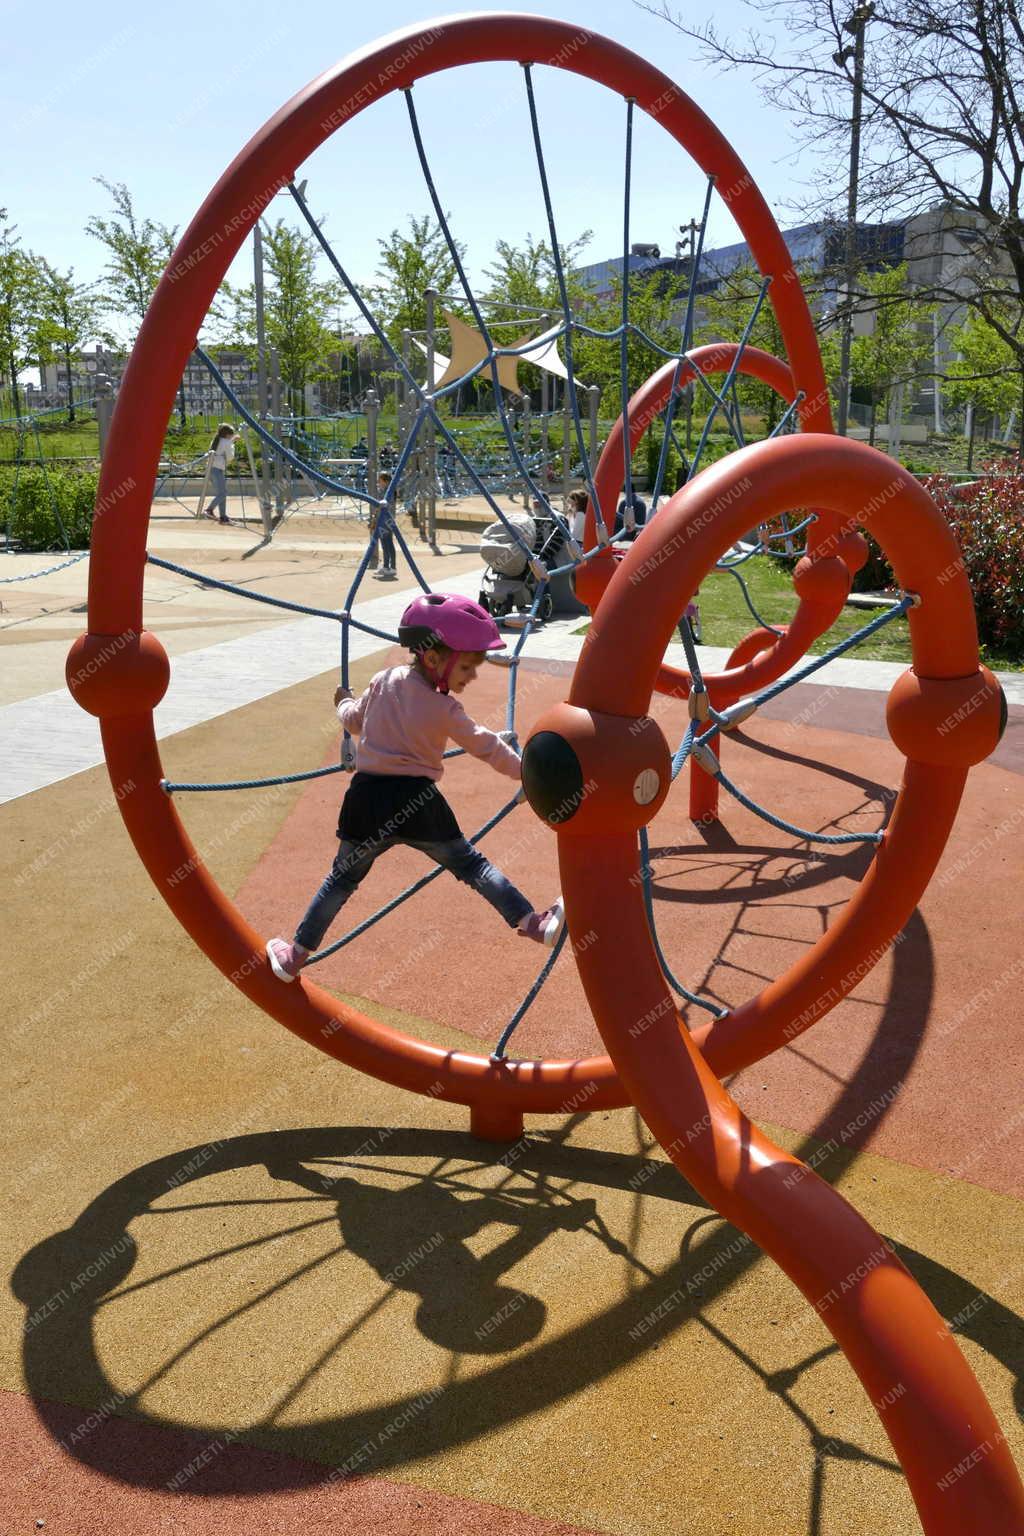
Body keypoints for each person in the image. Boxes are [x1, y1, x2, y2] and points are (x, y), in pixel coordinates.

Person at [266, 593, 564, 982]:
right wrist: (527, 775)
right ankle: (531, 923)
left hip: (366, 800)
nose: (471, 677)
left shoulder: (382, 681)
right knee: (471, 865)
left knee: (341, 879)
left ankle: (295, 956)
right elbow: (486, 747)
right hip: (418, 802)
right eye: (468, 667)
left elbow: (355, 721)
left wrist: (341, 703)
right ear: (434, 658)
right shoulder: (445, 710)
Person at [202, 424, 237, 523]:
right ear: (227, 434)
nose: (232, 435)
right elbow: (230, 457)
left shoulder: (216, 440)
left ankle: (223, 516)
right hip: (217, 469)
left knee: (221, 493)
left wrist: (231, 441)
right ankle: (209, 510)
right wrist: (233, 442)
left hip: (210, 468)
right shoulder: (227, 442)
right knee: (223, 493)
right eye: (231, 434)